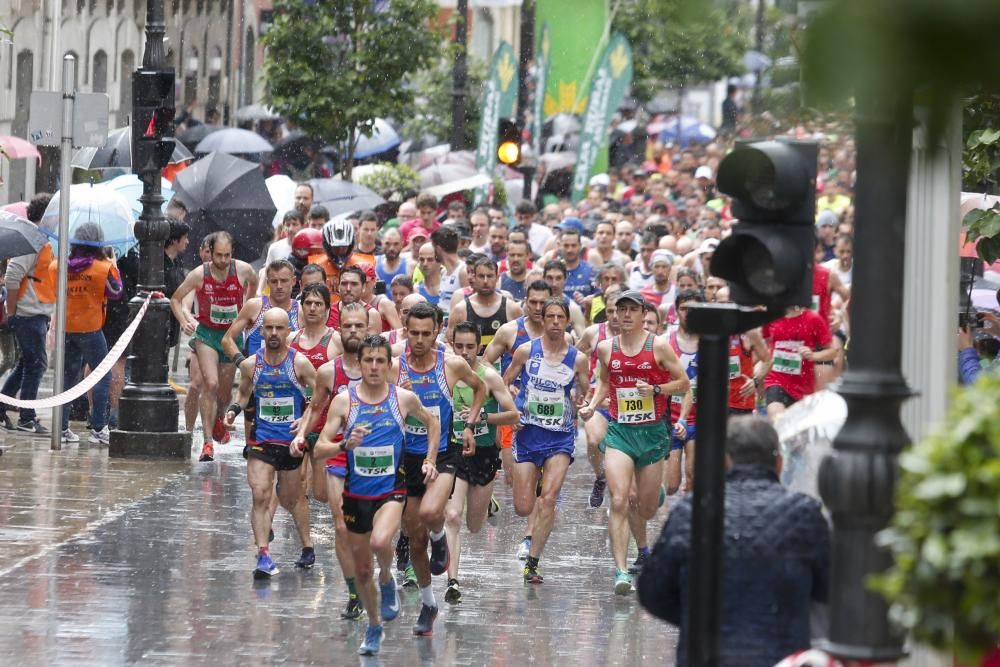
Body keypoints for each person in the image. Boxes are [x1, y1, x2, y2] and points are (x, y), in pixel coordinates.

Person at [638, 416, 830, 667]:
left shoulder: (692, 512)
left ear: (723, 462)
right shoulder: (805, 514)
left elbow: (653, 592)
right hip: (780, 656)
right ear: (779, 464)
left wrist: (698, 617)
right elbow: (829, 589)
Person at [305, 334, 438, 656]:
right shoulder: (344, 401)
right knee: (362, 570)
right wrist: (343, 445)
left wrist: (430, 460)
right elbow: (320, 448)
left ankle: (388, 577)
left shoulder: (402, 399)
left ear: (389, 365)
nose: (375, 367)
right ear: (360, 364)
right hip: (356, 496)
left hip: (392, 491)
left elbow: (433, 422)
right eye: (369, 361)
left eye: (381, 361)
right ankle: (375, 625)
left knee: (381, 543)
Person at [582, 290, 689, 595]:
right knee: (619, 499)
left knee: (646, 507)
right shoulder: (605, 348)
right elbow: (605, 381)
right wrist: (593, 403)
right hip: (621, 433)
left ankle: (647, 506)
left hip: (653, 434)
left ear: (644, 314)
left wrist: (655, 390)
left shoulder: (659, 346)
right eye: (620, 310)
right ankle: (620, 570)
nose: (625, 315)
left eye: (632, 310)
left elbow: (682, 384)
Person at [392, 302, 485, 636]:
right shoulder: (394, 366)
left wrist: (470, 424)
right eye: (413, 333)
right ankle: (429, 605)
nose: (419, 340)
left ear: (437, 331)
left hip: (445, 454)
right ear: (405, 329)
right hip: (407, 459)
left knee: (433, 512)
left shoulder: (452, 365)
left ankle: (441, 537)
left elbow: (480, 389)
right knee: (415, 541)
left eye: (425, 334)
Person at [502, 298, 590, 584]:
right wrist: (509, 410)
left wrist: (582, 401)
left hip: (560, 436)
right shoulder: (527, 351)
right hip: (528, 434)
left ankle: (533, 562)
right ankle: (536, 486)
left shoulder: (577, 358)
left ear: (566, 321)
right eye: (549, 316)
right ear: (543, 319)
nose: (554, 321)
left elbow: (586, 391)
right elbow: (504, 383)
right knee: (523, 507)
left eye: (559, 317)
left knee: (549, 499)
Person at [225, 308, 317, 579]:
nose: (274, 334)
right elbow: (243, 394)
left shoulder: (300, 363)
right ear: (261, 331)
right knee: (260, 493)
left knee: (291, 498)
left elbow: (318, 399)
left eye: (280, 328)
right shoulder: (252, 365)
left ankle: (307, 546)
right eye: (269, 328)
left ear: (289, 331)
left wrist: (304, 423)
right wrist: (233, 410)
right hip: (262, 440)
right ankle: (263, 554)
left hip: (290, 444)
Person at [443, 321, 519, 603]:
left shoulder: (489, 376)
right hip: (453, 451)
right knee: (452, 516)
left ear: (479, 347)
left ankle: (488, 501)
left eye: (469, 347)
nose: (463, 352)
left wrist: (480, 418)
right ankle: (453, 581)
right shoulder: (445, 372)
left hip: (485, 454)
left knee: (474, 525)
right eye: (458, 346)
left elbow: (513, 416)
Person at [170, 232, 258, 461]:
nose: (223, 260)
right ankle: (207, 443)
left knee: (224, 393)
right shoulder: (199, 274)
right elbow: (175, 300)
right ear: (210, 253)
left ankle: (218, 418)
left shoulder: (243, 270)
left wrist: (246, 310)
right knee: (210, 383)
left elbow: (254, 283)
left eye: (227, 255)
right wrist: (183, 321)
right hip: (207, 335)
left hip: (231, 336)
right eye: (218, 255)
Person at [52, 223, 123, 444]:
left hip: (67, 327)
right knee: (102, 375)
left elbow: (54, 289)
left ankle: (61, 428)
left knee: (68, 377)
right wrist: (113, 265)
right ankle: (99, 428)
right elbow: (116, 292)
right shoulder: (102, 268)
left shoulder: (59, 265)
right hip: (90, 328)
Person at [0, 193, 56, 434]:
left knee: (26, 364)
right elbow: (13, 276)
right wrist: (12, 311)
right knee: (36, 364)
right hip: (28, 314)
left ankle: (3, 408)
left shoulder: (41, 239)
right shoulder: (32, 239)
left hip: (36, 313)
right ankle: (26, 417)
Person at [762, 306, 835, 419]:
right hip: (776, 379)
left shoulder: (813, 318)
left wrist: (813, 355)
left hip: (802, 386)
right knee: (777, 418)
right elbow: (766, 342)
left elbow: (832, 351)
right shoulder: (772, 316)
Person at [666, 288, 703, 495]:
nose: (688, 313)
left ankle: (689, 523)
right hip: (670, 419)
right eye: (684, 309)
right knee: (671, 485)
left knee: (693, 478)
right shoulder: (666, 341)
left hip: (698, 420)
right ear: (676, 311)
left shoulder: (711, 342)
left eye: (694, 309)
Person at [449, 256, 523, 358]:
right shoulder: (460, 310)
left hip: (502, 370)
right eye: (481, 276)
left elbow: (523, 343)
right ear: (474, 277)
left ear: (497, 278)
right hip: (469, 370)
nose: (485, 281)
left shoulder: (512, 309)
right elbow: (449, 343)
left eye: (489, 276)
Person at [327, 265, 381, 334]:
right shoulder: (328, 311)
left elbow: (373, 344)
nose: (348, 289)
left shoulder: (372, 314)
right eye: (344, 284)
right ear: (338, 287)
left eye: (354, 284)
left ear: (363, 287)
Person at [541, 260, 588, 334]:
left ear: (565, 279)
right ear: (543, 278)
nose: (554, 284)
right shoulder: (535, 304)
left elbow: (582, 340)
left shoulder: (573, 309)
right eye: (550, 278)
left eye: (558, 278)